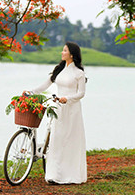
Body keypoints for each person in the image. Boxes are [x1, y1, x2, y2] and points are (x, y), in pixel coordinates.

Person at [25, 42, 87, 184]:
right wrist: (32, 92)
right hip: (58, 108)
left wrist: (68, 98)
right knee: (57, 139)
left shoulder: (79, 73)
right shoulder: (59, 70)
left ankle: (71, 175)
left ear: (71, 54)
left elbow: (81, 93)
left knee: (70, 140)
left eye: (64, 50)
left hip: (72, 110)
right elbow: (46, 84)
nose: (62, 52)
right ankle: (55, 175)